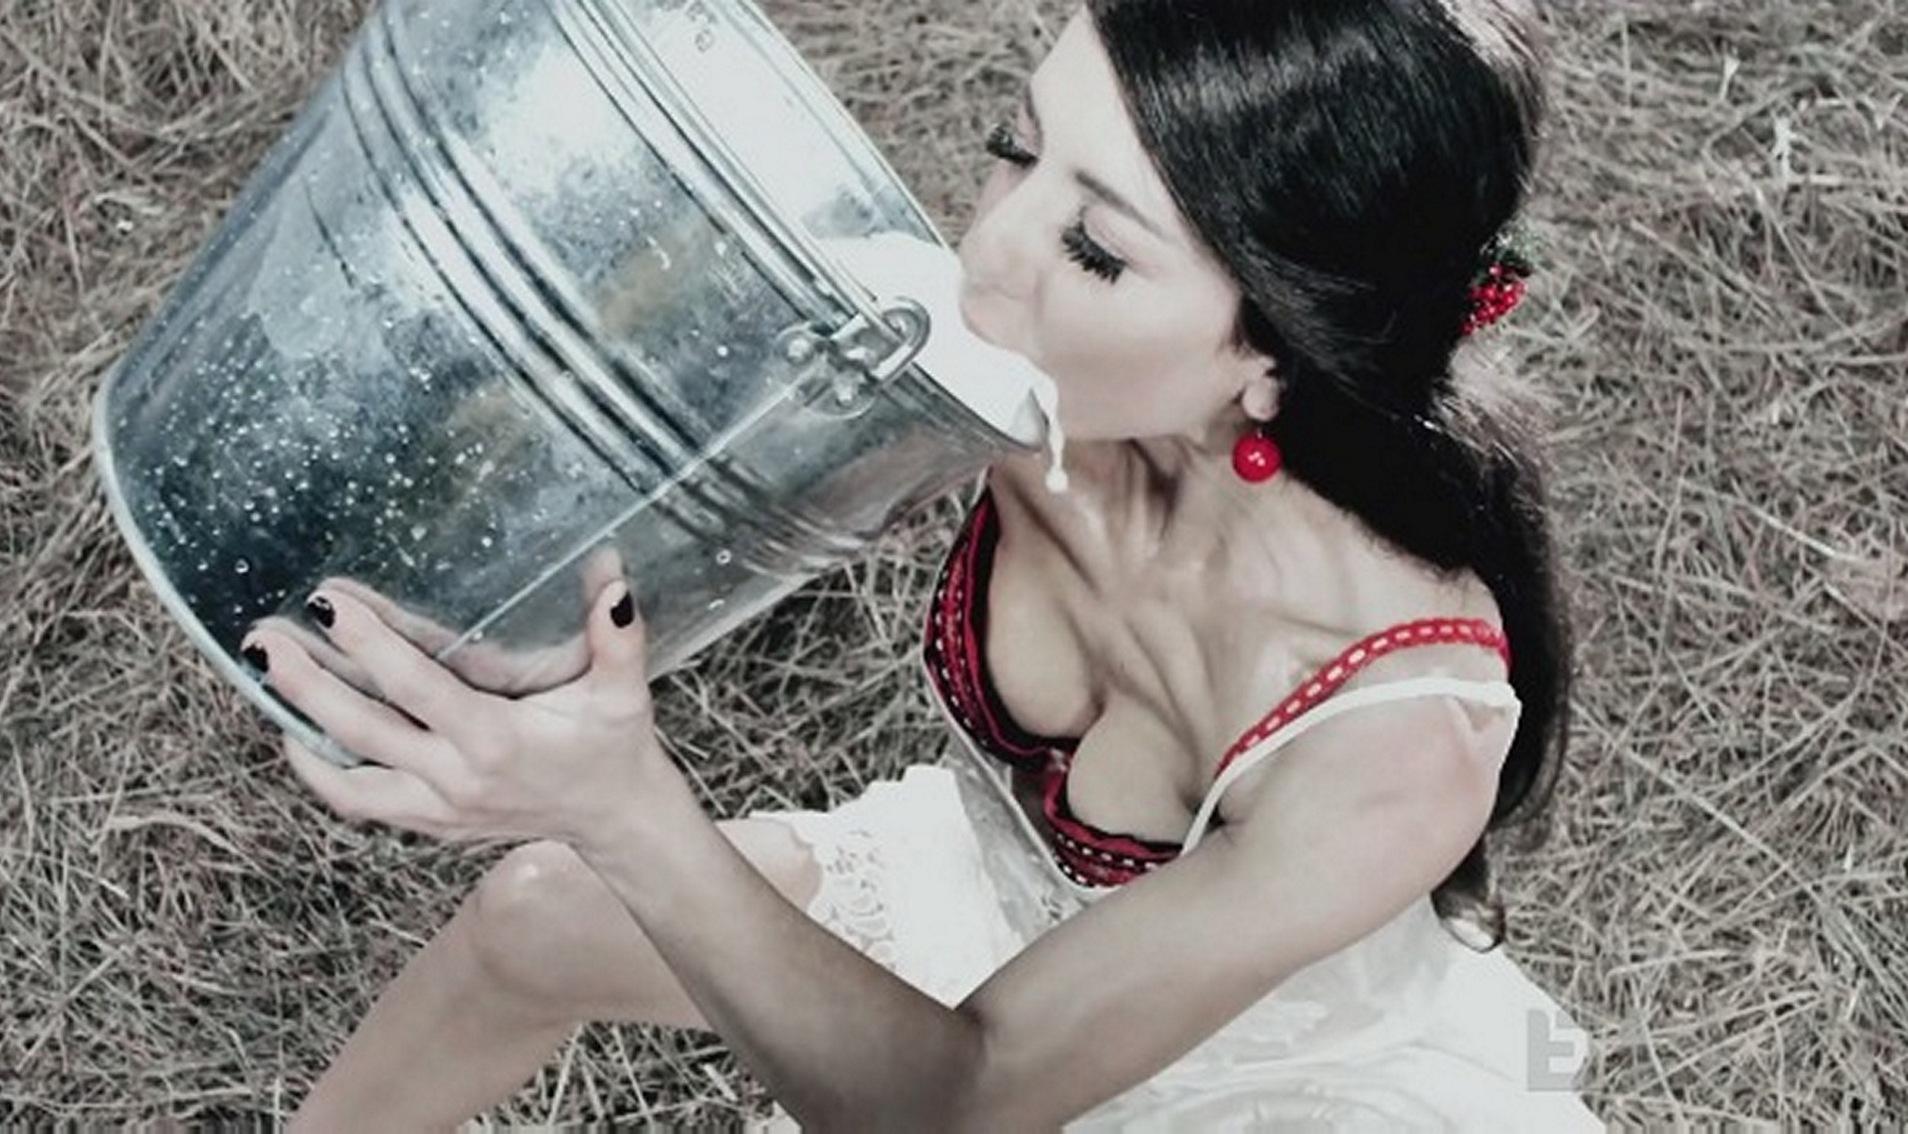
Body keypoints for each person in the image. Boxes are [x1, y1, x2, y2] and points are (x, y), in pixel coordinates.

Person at [239, 0, 1604, 1127]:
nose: (983, 257)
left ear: (1280, 352)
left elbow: (956, 1102)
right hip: (988, 910)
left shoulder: (1399, 740)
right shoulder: (1039, 391)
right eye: (1019, 148)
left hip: (1232, 1086)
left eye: (1094, 248)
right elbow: (674, 455)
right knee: (534, 919)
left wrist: (623, 806)